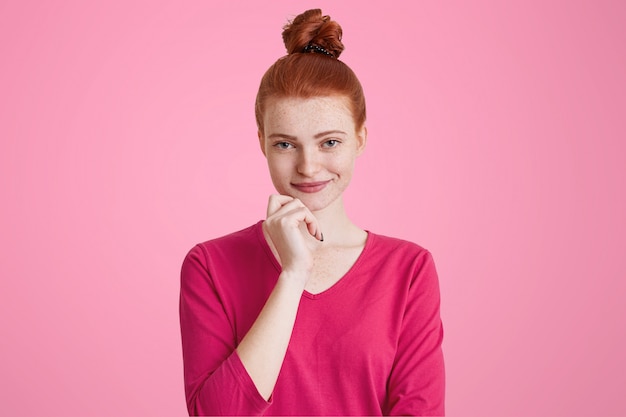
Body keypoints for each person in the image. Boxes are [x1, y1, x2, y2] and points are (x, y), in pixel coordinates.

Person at [179, 8, 445, 416]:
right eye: (285, 144)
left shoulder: (408, 270)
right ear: (262, 142)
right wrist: (293, 275)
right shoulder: (209, 265)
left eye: (330, 143)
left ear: (360, 139)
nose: (307, 166)